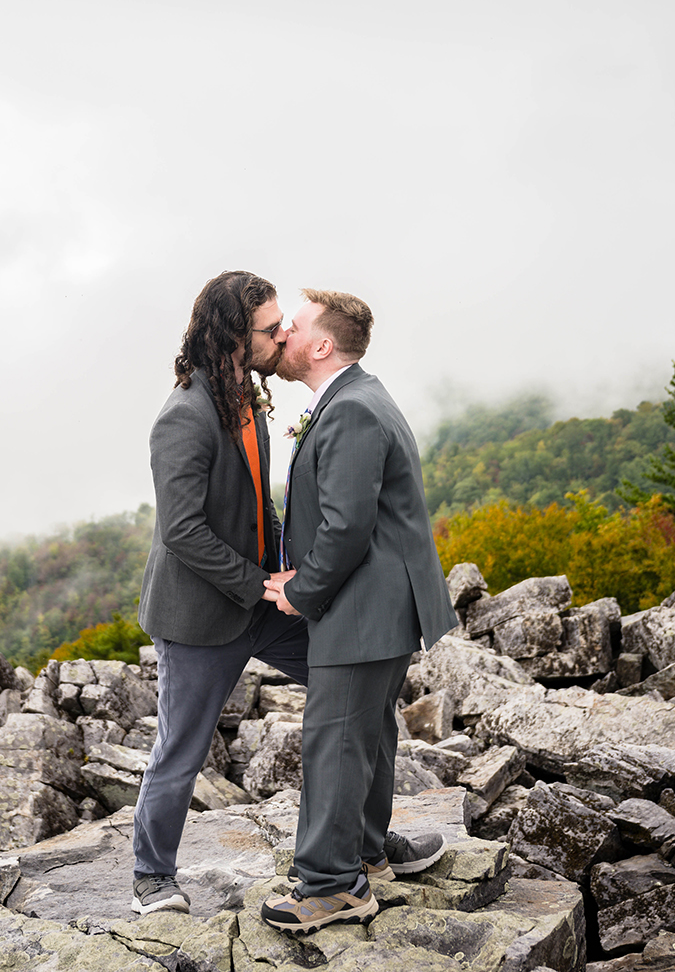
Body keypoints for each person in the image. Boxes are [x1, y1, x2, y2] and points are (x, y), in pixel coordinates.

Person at [259, 289, 460, 934]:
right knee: (367, 730)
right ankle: (366, 855)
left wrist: (301, 590)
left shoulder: (351, 410)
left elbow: (346, 528)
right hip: (381, 599)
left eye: (293, 326)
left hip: (363, 602)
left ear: (322, 346)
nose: (283, 334)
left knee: (335, 740)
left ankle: (330, 885)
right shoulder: (356, 397)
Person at [130, 269, 307, 915]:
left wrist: (292, 574)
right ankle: (151, 877)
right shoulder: (183, 417)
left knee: (353, 680)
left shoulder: (252, 398)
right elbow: (181, 532)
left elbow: (262, 506)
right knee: (179, 751)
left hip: (265, 600)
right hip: (201, 615)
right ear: (234, 335)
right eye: (269, 328)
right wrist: (261, 584)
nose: (282, 335)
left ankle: (363, 841)